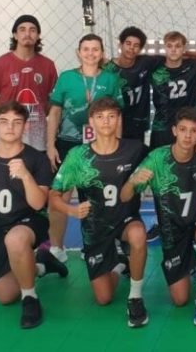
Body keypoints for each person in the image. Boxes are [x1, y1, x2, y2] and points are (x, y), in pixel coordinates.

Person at [0, 101, 68, 329]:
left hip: (30, 222)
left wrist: (25, 175)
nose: (10, 127)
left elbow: (39, 202)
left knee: (16, 239)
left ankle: (30, 298)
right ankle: (42, 265)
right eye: (4, 122)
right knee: (5, 295)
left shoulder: (37, 159)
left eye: (16, 122)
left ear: (25, 127)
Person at [48, 97, 149, 328]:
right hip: (95, 227)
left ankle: (135, 296)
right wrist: (71, 210)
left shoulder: (135, 149)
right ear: (90, 121)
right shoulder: (78, 156)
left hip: (125, 220)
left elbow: (166, 158)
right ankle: (120, 263)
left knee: (138, 235)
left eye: (112, 116)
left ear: (119, 120)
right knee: (103, 298)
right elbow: (53, 196)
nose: (106, 121)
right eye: (100, 117)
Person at [120, 107, 196, 326]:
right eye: (183, 129)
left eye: (194, 131)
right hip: (171, 229)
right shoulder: (157, 158)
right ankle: (191, 260)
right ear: (174, 130)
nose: (188, 136)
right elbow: (125, 196)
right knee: (179, 299)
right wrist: (133, 180)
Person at [45, 34, 124, 262]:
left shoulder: (110, 79)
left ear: (102, 53)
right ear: (79, 52)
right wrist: (50, 145)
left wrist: (117, 147)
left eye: (95, 49)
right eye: (86, 49)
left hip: (101, 144)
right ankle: (56, 248)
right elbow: (55, 113)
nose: (91, 53)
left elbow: (118, 115)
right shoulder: (67, 78)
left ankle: (96, 244)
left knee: (99, 195)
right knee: (61, 194)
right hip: (68, 143)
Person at [0, 15, 58, 152]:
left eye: (32, 30)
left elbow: (51, 104)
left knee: (34, 171)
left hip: (36, 137)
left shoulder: (48, 65)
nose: (27, 34)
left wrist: (36, 116)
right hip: (8, 135)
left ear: (38, 36)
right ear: (15, 35)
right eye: (22, 29)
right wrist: (7, 123)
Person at [103, 26, 163, 142]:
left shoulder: (145, 62)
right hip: (112, 124)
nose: (131, 48)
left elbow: (175, 57)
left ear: (140, 49)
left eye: (136, 46)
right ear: (120, 45)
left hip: (138, 124)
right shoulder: (108, 69)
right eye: (128, 43)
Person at [149, 31, 196, 149]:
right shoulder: (154, 69)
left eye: (178, 46)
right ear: (165, 48)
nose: (173, 50)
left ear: (184, 48)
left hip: (187, 127)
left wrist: (189, 52)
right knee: (160, 164)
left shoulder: (193, 65)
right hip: (162, 127)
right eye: (169, 46)